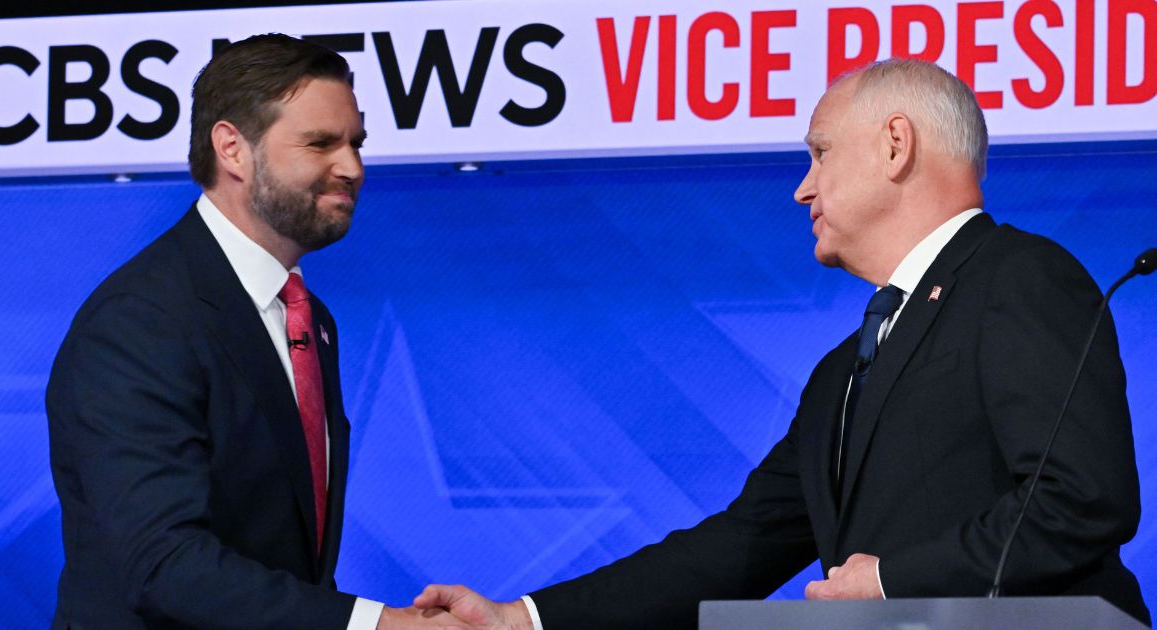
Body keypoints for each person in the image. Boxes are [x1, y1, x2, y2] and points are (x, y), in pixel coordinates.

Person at [411, 58, 1150, 628]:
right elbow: (741, 545)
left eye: (821, 152)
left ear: (896, 145)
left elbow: (1080, 500)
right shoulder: (843, 371)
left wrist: (889, 580)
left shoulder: (1021, 276)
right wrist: (526, 618)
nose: (803, 187)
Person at [47, 34, 462, 629]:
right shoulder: (139, 321)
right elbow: (164, 565)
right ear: (232, 149)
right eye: (321, 143)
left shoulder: (310, 317)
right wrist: (375, 625)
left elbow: (288, 557)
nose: (352, 168)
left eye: (356, 144)